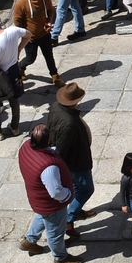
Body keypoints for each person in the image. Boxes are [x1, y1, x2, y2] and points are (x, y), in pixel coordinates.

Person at [17, 124, 82, 263]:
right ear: (47, 140)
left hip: (39, 199)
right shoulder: (48, 167)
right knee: (55, 232)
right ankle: (60, 257)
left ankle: (30, 240)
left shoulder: (25, 147)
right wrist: (68, 195)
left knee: (43, 216)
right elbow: (56, 192)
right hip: (52, 204)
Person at [47, 82, 97, 239]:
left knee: (75, 188)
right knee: (87, 189)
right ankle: (69, 219)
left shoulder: (55, 106)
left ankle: (77, 208)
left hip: (72, 161)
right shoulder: (69, 123)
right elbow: (62, 148)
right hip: (76, 161)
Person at [0, 12, 27, 139]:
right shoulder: (13, 30)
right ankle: (15, 127)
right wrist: (19, 49)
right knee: (14, 99)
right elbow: (28, 35)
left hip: (0, 76)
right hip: (14, 70)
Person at [13, 0, 61, 86]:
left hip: (44, 34)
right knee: (30, 58)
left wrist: (49, 21)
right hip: (31, 38)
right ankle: (21, 66)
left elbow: (50, 10)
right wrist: (25, 35)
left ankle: (55, 76)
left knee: (49, 55)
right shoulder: (21, 3)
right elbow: (17, 22)